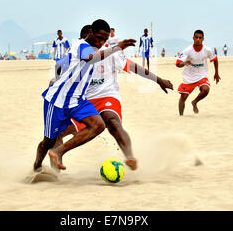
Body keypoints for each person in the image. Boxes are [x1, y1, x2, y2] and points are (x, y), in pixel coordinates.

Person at [52, 29, 173, 171]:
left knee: (112, 122)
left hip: (107, 96)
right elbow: (59, 72)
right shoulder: (74, 54)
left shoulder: (110, 54)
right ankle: (54, 171)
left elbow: (134, 67)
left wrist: (159, 80)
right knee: (57, 132)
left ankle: (130, 157)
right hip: (83, 101)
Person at [33, 19, 136, 171]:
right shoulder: (81, 46)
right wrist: (117, 47)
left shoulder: (95, 49)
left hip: (77, 100)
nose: (101, 42)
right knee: (48, 141)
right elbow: (89, 58)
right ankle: (37, 167)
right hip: (57, 101)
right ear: (90, 33)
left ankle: (58, 152)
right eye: (99, 38)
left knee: (98, 125)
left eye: (104, 40)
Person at [176, 30, 221, 115]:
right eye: (196, 37)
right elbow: (177, 64)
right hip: (189, 77)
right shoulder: (188, 50)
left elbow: (215, 59)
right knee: (183, 97)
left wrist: (216, 73)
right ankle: (181, 116)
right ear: (193, 38)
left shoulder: (207, 50)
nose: (198, 39)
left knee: (206, 90)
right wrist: (184, 63)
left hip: (202, 76)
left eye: (200, 38)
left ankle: (194, 102)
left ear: (203, 39)